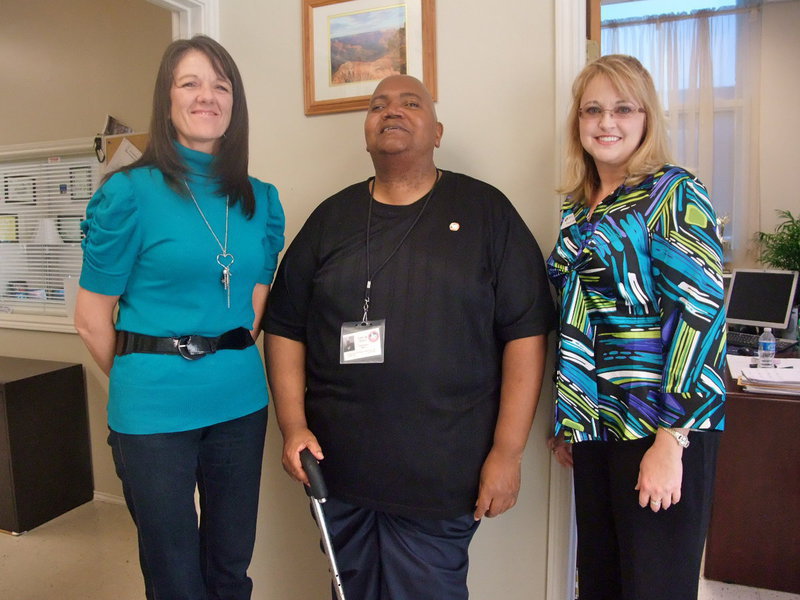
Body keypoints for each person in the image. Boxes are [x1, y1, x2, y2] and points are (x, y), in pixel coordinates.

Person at [264, 74, 555, 600]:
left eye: (410, 102)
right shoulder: (331, 219)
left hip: (441, 477)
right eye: (378, 105)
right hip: (338, 475)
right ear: (366, 132)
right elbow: (285, 326)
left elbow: (527, 334)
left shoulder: (486, 211)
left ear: (437, 130)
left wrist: (507, 454)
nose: (391, 111)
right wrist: (292, 426)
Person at [74, 35, 284, 600]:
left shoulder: (259, 199)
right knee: (174, 575)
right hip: (151, 411)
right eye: (189, 82)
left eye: (221, 85)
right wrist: (144, 379)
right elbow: (93, 317)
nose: (206, 96)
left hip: (240, 403)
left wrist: (227, 349)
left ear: (234, 103)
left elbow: (254, 298)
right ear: (166, 100)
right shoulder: (130, 193)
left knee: (230, 567)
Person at [546, 54, 726, 600]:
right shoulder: (577, 209)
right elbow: (578, 316)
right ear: (577, 122)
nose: (607, 122)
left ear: (646, 118)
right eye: (593, 109)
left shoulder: (674, 192)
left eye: (623, 109)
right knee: (600, 580)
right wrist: (572, 417)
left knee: (654, 586)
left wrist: (671, 441)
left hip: (663, 424)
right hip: (597, 425)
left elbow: (700, 314)